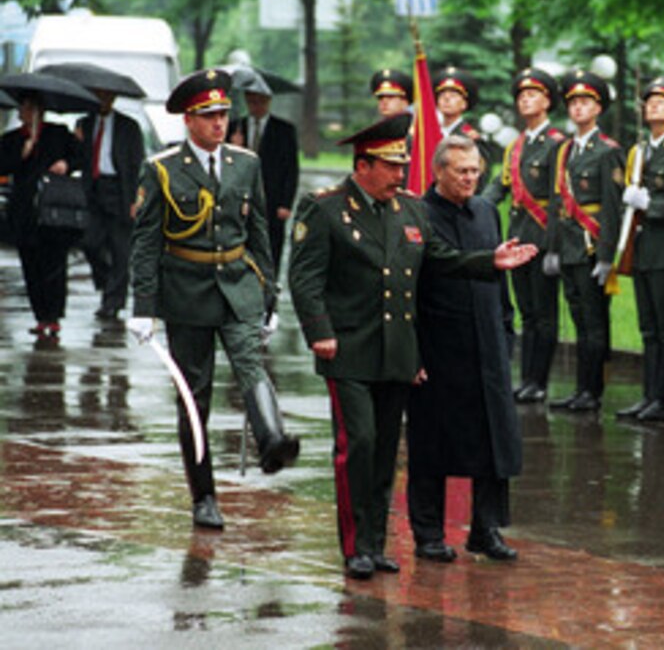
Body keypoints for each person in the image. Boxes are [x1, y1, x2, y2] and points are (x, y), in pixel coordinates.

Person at [288, 114, 537, 580]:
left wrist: (491, 261)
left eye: (403, 165)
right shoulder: (323, 209)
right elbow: (304, 278)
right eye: (390, 166)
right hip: (347, 349)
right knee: (357, 444)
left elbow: (438, 260)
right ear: (363, 166)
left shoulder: (408, 210)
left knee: (384, 450)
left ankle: (376, 544)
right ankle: (354, 547)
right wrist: (318, 330)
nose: (401, 175)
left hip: (394, 351)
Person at [127, 69, 300, 530]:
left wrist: (269, 298)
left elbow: (260, 233)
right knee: (194, 396)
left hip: (238, 284)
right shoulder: (162, 167)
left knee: (250, 364)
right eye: (209, 116)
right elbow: (146, 242)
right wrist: (143, 306)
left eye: (223, 114)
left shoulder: (246, 163)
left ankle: (273, 441)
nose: (219, 123)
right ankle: (203, 496)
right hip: (187, 292)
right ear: (189, 120)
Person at [407, 134, 521, 563]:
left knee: (495, 439)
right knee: (432, 442)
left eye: (476, 171)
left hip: (488, 340)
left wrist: (506, 329)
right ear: (440, 172)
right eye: (462, 172)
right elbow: (413, 286)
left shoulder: (487, 211)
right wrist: (413, 354)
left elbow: (500, 273)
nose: (471, 179)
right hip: (439, 344)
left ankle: (486, 528)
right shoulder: (418, 214)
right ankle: (429, 532)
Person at [614, 76, 664, 423]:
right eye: (649, 102)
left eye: (660, 102)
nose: (652, 107)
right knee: (648, 326)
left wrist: (651, 203)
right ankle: (648, 394)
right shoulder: (641, 150)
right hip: (643, 247)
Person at [482, 68, 565, 403]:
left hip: (544, 236)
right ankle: (527, 378)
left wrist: (555, 246)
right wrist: (475, 204)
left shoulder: (558, 144)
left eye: (533, 95)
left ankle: (540, 381)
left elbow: (560, 198)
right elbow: (500, 187)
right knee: (527, 311)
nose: (526, 100)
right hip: (519, 236)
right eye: (521, 96)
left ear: (547, 101)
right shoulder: (515, 146)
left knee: (544, 314)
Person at [546, 69, 623, 412]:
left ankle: (593, 391)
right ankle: (581, 389)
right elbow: (556, 203)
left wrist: (607, 256)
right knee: (578, 319)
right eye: (573, 102)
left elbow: (612, 207)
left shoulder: (608, 151)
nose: (578, 108)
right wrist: (551, 248)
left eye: (585, 102)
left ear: (598, 108)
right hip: (569, 246)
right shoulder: (564, 150)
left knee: (594, 323)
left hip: (592, 247)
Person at [0, 93, 80, 337]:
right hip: (25, 213)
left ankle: (53, 315)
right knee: (31, 265)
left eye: (28, 109)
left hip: (53, 210)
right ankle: (40, 315)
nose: (23, 113)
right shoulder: (12, 139)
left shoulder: (58, 134)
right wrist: (22, 154)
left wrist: (66, 164)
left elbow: (78, 157)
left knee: (53, 264)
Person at [76, 89, 144, 321]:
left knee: (120, 249)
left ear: (113, 99)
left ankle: (113, 302)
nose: (103, 101)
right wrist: (77, 142)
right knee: (90, 242)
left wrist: (136, 197)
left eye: (107, 97)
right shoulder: (84, 124)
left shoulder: (128, 126)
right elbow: (77, 158)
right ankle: (108, 283)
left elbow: (137, 164)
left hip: (119, 190)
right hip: (93, 190)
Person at [228, 72, 299, 277]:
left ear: (268, 101)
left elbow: (291, 169)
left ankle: (269, 294)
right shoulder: (235, 127)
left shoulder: (284, 130)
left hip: (272, 201)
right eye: (251, 101)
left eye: (260, 101)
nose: (256, 106)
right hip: (241, 200)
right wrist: (234, 146)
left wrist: (286, 204)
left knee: (271, 249)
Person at [433, 65, 491, 189]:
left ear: (464, 104)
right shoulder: (430, 135)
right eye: (442, 95)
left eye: (453, 95)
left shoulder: (472, 140)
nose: (446, 99)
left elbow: (479, 183)